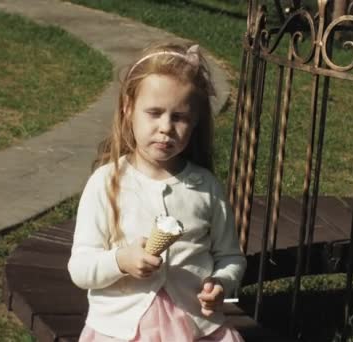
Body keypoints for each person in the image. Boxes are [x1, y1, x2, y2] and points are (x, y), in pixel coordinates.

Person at [68, 42, 247, 342]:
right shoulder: (106, 182)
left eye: (179, 117)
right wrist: (120, 261)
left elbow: (231, 257)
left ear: (195, 122)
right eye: (154, 113)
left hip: (196, 328)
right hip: (121, 331)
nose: (166, 127)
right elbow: (80, 267)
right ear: (128, 110)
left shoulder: (206, 187)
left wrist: (220, 284)